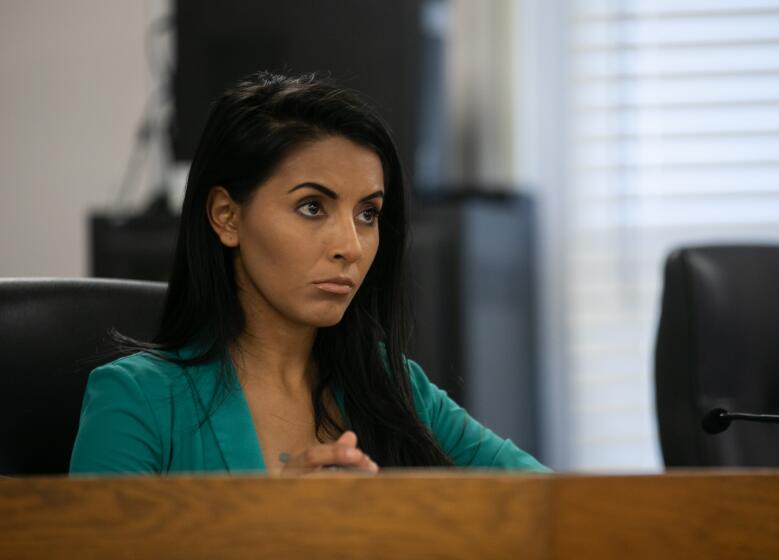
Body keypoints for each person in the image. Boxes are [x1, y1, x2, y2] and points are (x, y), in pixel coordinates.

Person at [70, 72, 550, 475]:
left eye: (368, 214)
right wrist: (278, 530)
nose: (351, 246)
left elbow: (551, 503)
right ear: (226, 216)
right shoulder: (136, 398)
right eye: (312, 206)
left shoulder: (392, 386)